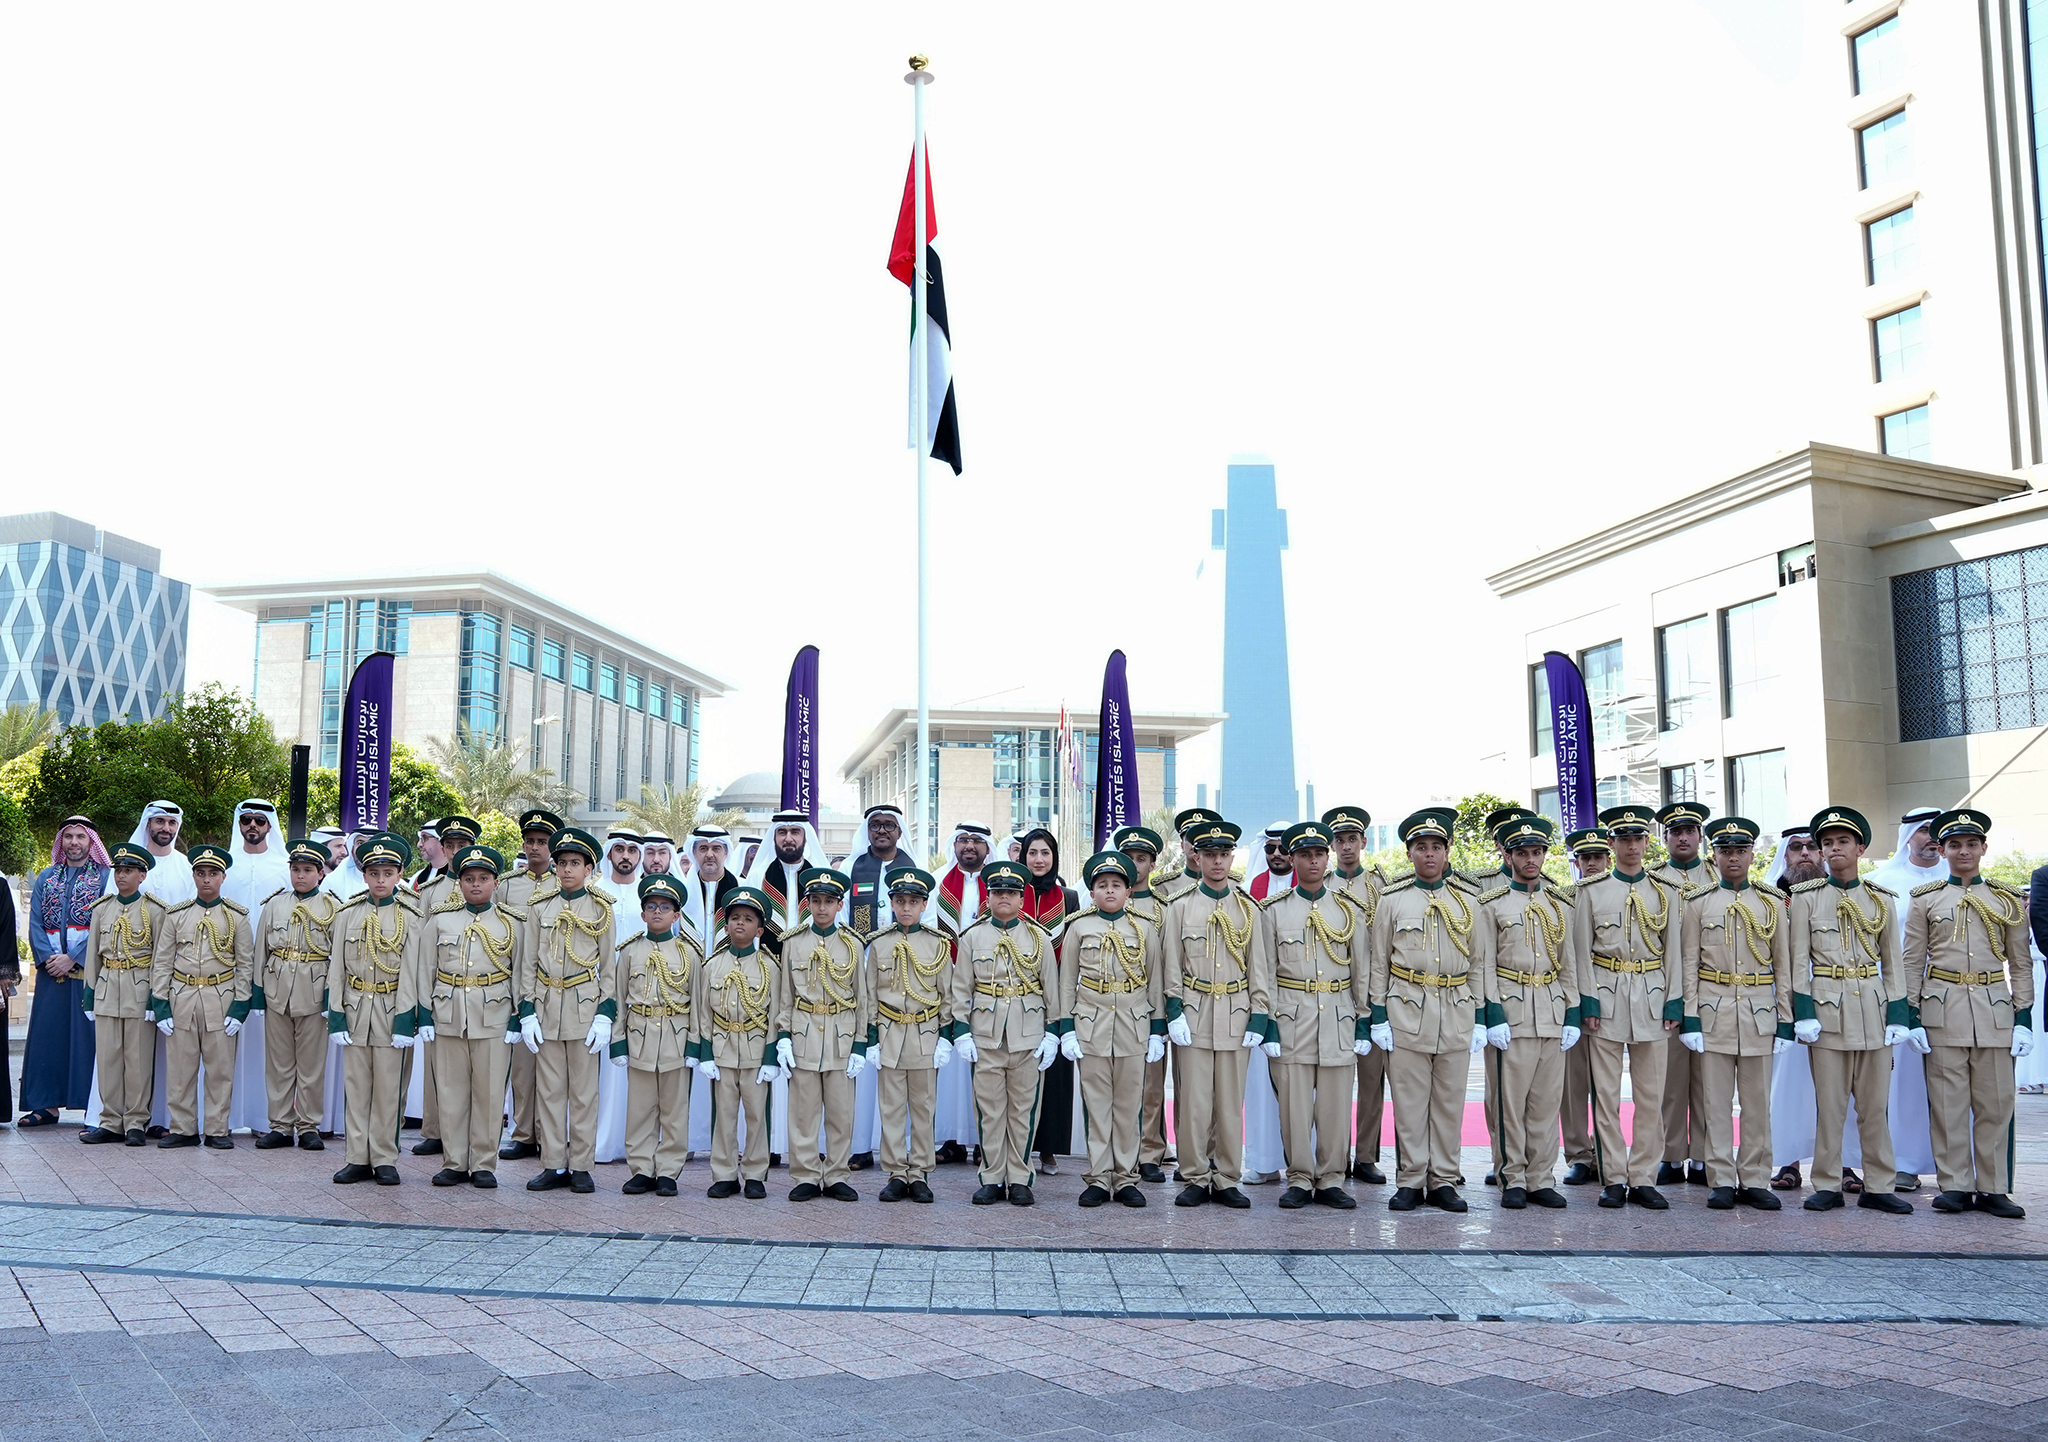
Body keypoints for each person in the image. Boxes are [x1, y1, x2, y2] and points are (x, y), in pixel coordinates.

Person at [1906, 808, 2032, 1219]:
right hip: (1941, 1007)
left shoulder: (2005, 898)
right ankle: (1956, 1184)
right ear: (1942, 850)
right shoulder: (1926, 899)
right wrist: (1909, 1014)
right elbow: (1912, 960)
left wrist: (2024, 1017)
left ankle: (1993, 1187)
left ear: (1983, 848)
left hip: (1994, 1008)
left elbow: (2020, 962)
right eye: (1955, 845)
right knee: (1948, 1103)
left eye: (1971, 844)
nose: (1963, 851)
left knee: (1996, 1104)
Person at [1788, 806, 1912, 1214]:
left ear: (1860, 847)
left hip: (1873, 1012)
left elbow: (1893, 963)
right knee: (1831, 1105)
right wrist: (1803, 1012)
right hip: (1827, 1012)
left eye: (1843, 841)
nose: (1834, 848)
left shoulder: (1880, 900)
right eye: (1827, 843)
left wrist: (1899, 1015)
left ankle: (1879, 1184)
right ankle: (1826, 1183)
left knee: (1875, 1106)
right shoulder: (1806, 899)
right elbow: (1796, 961)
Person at [1369, 812, 1485, 1213]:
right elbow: (1378, 962)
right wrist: (1378, 1014)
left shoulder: (1469, 901)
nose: (1430, 854)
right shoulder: (1392, 900)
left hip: (1455, 1008)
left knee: (1450, 1101)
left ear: (1448, 851)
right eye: (1422, 847)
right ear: (1410, 852)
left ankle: (1444, 1180)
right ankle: (1411, 1179)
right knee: (1410, 1101)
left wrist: (1482, 1015)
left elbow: (1480, 963)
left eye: (1437, 846)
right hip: (1406, 1007)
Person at [1678, 817, 1791, 1211]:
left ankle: (1756, 1178)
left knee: (1758, 1102)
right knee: (1715, 1102)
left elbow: (1784, 967)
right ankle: (1722, 1177)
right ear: (1715, 855)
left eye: (1740, 851)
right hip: (1713, 1009)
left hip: (1760, 1011)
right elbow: (1688, 963)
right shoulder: (1698, 902)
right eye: (1725, 851)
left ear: (1752, 855)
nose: (1733, 858)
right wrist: (1690, 1017)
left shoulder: (1771, 902)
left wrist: (1786, 1018)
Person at [1573, 804, 1682, 1210]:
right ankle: (1614, 1176)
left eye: (1637, 838)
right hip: (1605, 997)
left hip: (1653, 998)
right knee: (1606, 1096)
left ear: (1647, 842)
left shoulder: (1666, 892)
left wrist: (1675, 998)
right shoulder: (1591, 891)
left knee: (1651, 1096)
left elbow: (1674, 952)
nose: (1631, 846)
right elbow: (1581, 951)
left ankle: (1644, 1177)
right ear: (1611, 844)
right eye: (1623, 839)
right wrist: (1587, 999)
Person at [1259, 821, 1369, 1210]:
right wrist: (1268, 1023)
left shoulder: (1349, 909)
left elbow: (1363, 970)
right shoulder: (1272, 911)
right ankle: (1300, 1178)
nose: (1313, 861)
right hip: (1292, 1016)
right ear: (1291, 859)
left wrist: (1365, 1020)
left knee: (1336, 1106)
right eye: (1304, 855)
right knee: (1294, 1105)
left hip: (1339, 1015)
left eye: (1319, 854)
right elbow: (1265, 972)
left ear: (1328, 857)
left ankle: (1332, 1179)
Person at [1474, 813, 1580, 1210]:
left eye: (1536, 852)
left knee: (1545, 1102)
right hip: (1512, 1008)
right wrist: (1492, 1013)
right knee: (1508, 1102)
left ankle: (1540, 1177)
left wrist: (1571, 1013)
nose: (1530, 859)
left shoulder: (1560, 904)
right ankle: (1511, 1176)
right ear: (1509, 855)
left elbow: (1569, 964)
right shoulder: (1491, 904)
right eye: (1522, 852)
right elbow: (1483, 964)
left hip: (1550, 1009)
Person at [1161, 817, 1264, 1209]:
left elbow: (1259, 966)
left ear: (1231, 857)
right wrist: (1174, 1012)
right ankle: (1194, 1176)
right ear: (1197, 858)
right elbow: (1172, 965)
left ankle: (1226, 1177)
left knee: (1229, 1103)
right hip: (1196, 1011)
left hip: (1236, 1013)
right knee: (1195, 1102)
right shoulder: (1180, 907)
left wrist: (1259, 1016)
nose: (1217, 862)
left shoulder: (1249, 908)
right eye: (1209, 855)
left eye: (1223, 854)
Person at [1058, 851, 1166, 1208]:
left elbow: (1155, 982)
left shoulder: (1144, 928)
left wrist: (1156, 1030)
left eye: (1116, 885)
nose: (1109, 891)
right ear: (1091, 893)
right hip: (1091, 1023)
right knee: (1097, 1105)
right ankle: (1099, 1177)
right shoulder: (1079, 926)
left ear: (1128, 891)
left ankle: (1126, 1177)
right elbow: (1066, 981)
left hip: (1133, 1025)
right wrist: (1067, 1028)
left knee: (1129, 1105)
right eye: (1102, 885)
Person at [950, 860, 1060, 1206]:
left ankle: (1021, 1176)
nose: (1004, 898)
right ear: (989, 895)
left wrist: (1053, 1032)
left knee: (1024, 1111)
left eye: (1011, 893)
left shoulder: (1039, 938)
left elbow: (1051, 990)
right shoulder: (972, 937)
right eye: (997, 892)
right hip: (986, 1034)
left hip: (1027, 1034)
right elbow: (961, 989)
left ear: (1022, 897)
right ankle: (992, 1177)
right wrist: (962, 1031)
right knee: (989, 1110)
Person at [517, 827, 618, 1194]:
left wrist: (606, 1013)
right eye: (562, 863)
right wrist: (526, 1010)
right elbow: (527, 962)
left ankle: (581, 1165)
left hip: (583, 1006)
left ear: (589, 867)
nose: (567, 870)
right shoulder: (540, 907)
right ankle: (553, 1164)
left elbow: (609, 967)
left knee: (583, 1092)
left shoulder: (601, 908)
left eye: (575, 863)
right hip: (546, 1005)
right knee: (549, 1090)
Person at [421, 842, 522, 1190]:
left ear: (495, 882)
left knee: (490, 1093)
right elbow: (424, 970)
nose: (475, 885)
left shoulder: (513, 923)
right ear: (459, 882)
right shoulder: (441, 919)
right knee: (450, 1092)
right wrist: (422, 1015)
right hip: (448, 1011)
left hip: (493, 1013)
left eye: (483, 878)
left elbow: (520, 973)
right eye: (468, 878)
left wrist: (518, 1017)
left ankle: (483, 1163)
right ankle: (454, 1162)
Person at [327, 832, 424, 1185]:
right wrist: (335, 1014)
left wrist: (406, 1020)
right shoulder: (347, 912)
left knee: (388, 1090)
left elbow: (414, 972)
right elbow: (336, 967)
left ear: (399, 874)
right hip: (355, 1009)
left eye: (388, 873)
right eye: (373, 873)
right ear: (364, 874)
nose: (380, 880)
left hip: (390, 1008)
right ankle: (357, 1156)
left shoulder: (412, 915)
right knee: (356, 1087)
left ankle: (384, 1157)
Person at [150, 845, 255, 1149]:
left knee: (220, 1069)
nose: (206, 879)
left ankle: (217, 1129)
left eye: (213, 874)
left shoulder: (237, 917)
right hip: (182, 996)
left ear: (223, 877)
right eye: (201, 873)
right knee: (181, 1069)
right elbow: (162, 962)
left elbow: (245, 964)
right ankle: (182, 1128)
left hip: (220, 996)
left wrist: (240, 1006)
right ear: (193, 876)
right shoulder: (177, 914)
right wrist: (161, 1004)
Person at [775, 867, 868, 1202]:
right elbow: (785, 994)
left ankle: (837, 1174)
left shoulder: (853, 945)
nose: (822, 907)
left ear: (840, 905)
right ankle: (806, 1175)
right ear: (807, 903)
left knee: (841, 1112)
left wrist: (860, 1042)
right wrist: (783, 1035)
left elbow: (863, 997)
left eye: (829, 901)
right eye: (816, 900)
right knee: (803, 1112)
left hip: (841, 1035)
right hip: (803, 1034)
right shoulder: (793, 942)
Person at [1868, 807, 1947, 1193]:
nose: (1931, 838)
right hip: (1899, 996)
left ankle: (1961, 1171)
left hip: (1953, 994)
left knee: (1956, 1084)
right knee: (1905, 1086)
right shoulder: (1881, 882)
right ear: (1908, 836)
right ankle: (1905, 1164)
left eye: (1937, 831)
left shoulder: (1960, 879)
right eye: (1924, 831)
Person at [610, 873, 704, 1197]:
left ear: (677, 914)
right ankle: (641, 1169)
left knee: (674, 1111)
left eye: (665, 907)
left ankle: (668, 1170)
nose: (658, 912)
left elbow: (698, 1003)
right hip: (639, 1036)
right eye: (652, 906)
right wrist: (617, 1041)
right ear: (643, 913)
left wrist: (695, 1044)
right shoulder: (629, 952)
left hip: (676, 1038)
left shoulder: (690, 954)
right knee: (640, 1109)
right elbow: (619, 997)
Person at [865, 865, 954, 1202]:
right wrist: (871, 1038)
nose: (905, 908)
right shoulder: (879, 944)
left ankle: (919, 1172)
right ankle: (895, 1172)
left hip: (924, 1032)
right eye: (900, 900)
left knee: (923, 1107)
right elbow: (870, 994)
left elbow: (947, 993)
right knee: (891, 1108)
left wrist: (946, 1036)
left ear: (924, 905)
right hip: (889, 1032)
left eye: (913, 902)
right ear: (891, 903)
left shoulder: (937, 944)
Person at [250, 838, 340, 1151]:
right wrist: (258, 994)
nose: (300, 875)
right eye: (295, 869)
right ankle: (280, 1125)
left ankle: (309, 1125)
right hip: (277, 990)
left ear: (320, 874)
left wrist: (332, 997)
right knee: (278, 1064)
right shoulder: (275, 904)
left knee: (312, 1065)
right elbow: (261, 950)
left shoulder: (332, 907)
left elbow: (338, 958)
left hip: (313, 991)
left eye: (307, 870)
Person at [695, 885, 784, 1199]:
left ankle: (756, 1173)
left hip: (756, 1049)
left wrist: (772, 1057)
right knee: (724, 1114)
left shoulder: (771, 967)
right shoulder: (712, 966)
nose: (740, 924)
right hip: (721, 1049)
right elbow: (703, 1012)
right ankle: (724, 1173)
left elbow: (777, 1012)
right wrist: (705, 1053)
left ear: (759, 929)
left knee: (757, 1114)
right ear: (726, 923)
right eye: (734, 917)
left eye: (747, 918)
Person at [78, 842, 169, 1145]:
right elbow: (93, 956)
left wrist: (157, 998)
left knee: (138, 1059)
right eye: (118, 870)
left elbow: (160, 958)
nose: (121, 876)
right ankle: (110, 1121)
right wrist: (89, 994)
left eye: (128, 870)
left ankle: (135, 1122)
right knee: (108, 1059)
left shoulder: (155, 910)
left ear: (142, 875)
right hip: (107, 988)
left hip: (139, 988)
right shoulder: (102, 908)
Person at [1764, 824, 1839, 1192]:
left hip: (1838, 1000)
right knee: (1788, 1087)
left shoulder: (1839, 893)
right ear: (1785, 855)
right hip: (1784, 1005)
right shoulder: (1769, 898)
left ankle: (1844, 1164)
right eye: (1796, 848)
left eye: (1812, 846)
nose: (1805, 853)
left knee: (1839, 1088)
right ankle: (1787, 1161)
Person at [21, 816, 108, 1126]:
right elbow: (35, 922)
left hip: (87, 973)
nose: (74, 842)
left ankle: (93, 1107)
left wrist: (74, 958)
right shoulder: (47, 876)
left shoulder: (106, 878)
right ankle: (45, 1106)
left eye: (80, 837)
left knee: (89, 1041)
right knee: (48, 1038)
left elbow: (104, 925)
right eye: (68, 836)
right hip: (50, 973)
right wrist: (48, 957)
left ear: (91, 843)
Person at [1319, 806, 1388, 1186]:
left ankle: (1365, 1155)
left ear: (1363, 842)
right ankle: (1333, 1156)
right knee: (1334, 1083)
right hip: (1332, 998)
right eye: (1339, 840)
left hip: (1374, 997)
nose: (1346, 847)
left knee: (1372, 1081)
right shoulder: (1323, 886)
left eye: (1352, 839)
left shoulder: (1381, 886)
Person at [405, 814, 479, 1157]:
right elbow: (419, 945)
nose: (455, 851)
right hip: (440, 989)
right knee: (437, 1065)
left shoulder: (487, 884)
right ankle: (434, 1130)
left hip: (479, 990)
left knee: (477, 1070)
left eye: (462, 845)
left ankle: (472, 1136)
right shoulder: (431, 890)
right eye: (450, 845)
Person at [497, 808, 564, 1164]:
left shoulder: (563, 884)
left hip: (555, 983)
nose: (535, 848)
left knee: (552, 1068)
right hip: (514, 981)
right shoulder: (507, 885)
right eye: (530, 841)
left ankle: (551, 1135)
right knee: (522, 1066)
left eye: (542, 842)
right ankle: (524, 1133)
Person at [1651, 800, 1711, 1189]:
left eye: (1690, 830)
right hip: (1667, 991)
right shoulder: (1653, 880)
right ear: (1665, 838)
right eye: (1676, 831)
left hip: (1713, 989)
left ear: (1701, 836)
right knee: (1669, 1080)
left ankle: (1706, 1157)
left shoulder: (1720, 874)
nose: (1684, 837)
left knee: (1709, 1080)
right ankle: (1672, 1156)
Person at [1113, 825, 1176, 1183]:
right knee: (1119, 1087)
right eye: (1130, 858)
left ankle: (1150, 1151)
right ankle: (1121, 1153)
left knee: (1152, 1085)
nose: (1135, 865)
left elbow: (1167, 961)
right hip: (1111, 1005)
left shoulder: (1164, 908)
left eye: (1142, 859)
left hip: (1148, 1007)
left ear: (1153, 864)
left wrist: (1164, 1013)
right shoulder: (1108, 902)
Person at [1018, 828, 1081, 1176]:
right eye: (1032, 853)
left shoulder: (1068, 897)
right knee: (1020, 1071)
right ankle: (1016, 1145)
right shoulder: (1011, 893)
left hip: (1055, 994)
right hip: (1019, 994)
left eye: (1045, 853)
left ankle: (1049, 1149)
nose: (1039, 860)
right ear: (1023, 857)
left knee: (1054, 1072)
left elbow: (1070, 950)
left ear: (1054, 857)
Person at [1557, 826, 1611, 1186]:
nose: (1592, 863)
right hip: (1571, 1003)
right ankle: (1579, 1154)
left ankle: (1609, 1156)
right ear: (1576, 862)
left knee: (1607, 1087)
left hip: (1613, 1001)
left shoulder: (1626, 893)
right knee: (1573, 1085)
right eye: (1585, 858)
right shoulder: (1563, 898)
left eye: (1598, 857)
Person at [118, 801, 195, 907]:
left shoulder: (188, 867)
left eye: (172, 823)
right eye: (160, 821)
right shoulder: (125, 864)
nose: (166, 828)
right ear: (148, 824)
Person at [681, 825, 740, 948]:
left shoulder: (741, 888)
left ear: (726, 852)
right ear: (694, 852)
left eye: (716, 848)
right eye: (703, 849)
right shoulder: (682, 893)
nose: (709, 854)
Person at [1247, 823, 1294, 902]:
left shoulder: (1309, 887)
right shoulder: (1248, 888)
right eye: (1270, 848)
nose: (1276, 853)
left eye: (1283, 849)